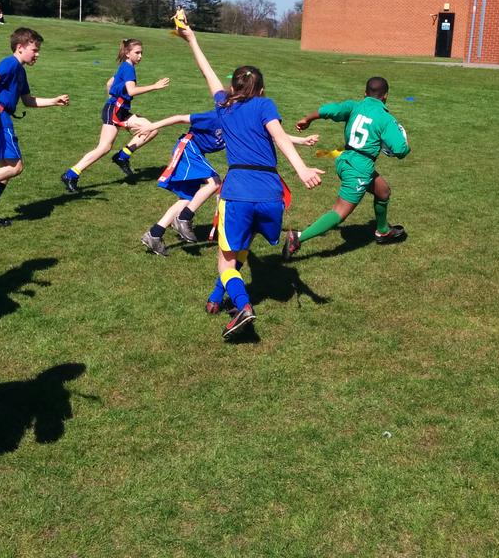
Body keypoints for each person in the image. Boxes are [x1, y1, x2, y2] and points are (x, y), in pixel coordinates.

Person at [174, 25, 323, 340]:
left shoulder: (223, 107)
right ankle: (216, 299)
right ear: (262, 90)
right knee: (241, 248)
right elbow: (279, 137)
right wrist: (301, 169)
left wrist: (193, 41)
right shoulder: (264, 105)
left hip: (238, 191)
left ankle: (243, 306)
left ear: (232, 88)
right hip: (270, 195)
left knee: (225, 260)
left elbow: (208, 75)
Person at [137, 113, 319, 257]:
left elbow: (272, 134)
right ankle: (184, 218)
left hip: (197, 153)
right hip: (188, 147)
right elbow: (180, 118)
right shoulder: (215, 116)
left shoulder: (238, 123)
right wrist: (152, 126)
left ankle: (154, 234)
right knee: (214, 181)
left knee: (188, 198)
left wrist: (301, 141)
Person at [282, 78, 410, 259]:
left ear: (365, 93)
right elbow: (400, 150)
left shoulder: (354, 106)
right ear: (385, 96)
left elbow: (328, 110)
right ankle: (298, 237)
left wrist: (307, 119)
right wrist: (404, 143)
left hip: (345, 160)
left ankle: (382, 230)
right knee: (339, 212)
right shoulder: (386, 119)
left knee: (383, 192)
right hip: (359, 169)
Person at [0, 28, 69, 227]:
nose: (38, 54)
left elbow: (28, 101)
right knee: (15, 167)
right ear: (20, 48)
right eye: (34, 50)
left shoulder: (21, 71)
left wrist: (54, 100)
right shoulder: (10, 63)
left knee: (5, 171)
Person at [60, 38, 168, 192]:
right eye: (137, 53)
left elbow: (109, 83)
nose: (140, 56)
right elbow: (131, 91)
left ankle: (122, 156)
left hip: (119, 110)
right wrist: (155, 86)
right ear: (127, 53)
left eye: (141, 53)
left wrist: (113, 100)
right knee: (104, 147)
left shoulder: (125, 66)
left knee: (151, 128)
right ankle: (71, 174)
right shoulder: (128, 68)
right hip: (115, 111)